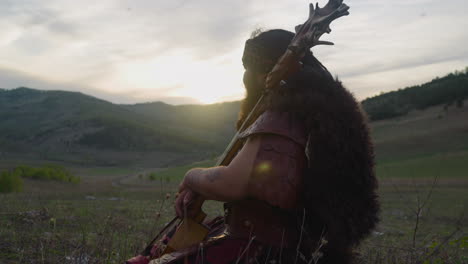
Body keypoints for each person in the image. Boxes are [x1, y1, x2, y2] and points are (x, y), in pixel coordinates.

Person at [153, 29, 379, 264]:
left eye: (247, 69)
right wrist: (200, 190)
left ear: (262, 74)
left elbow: (232, 184)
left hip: (263, 250)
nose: (245, 79)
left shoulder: (283, 118)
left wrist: (191, 177)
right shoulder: (313, 114)